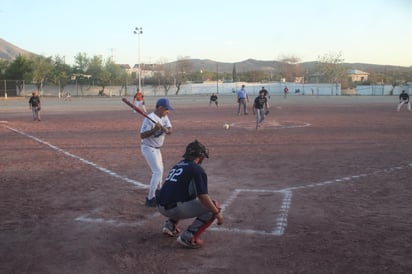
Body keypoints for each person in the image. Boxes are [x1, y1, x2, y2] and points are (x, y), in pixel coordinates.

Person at [157, 140, 223, 249]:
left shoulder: (178, 165)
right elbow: (203, 197)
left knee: (186, 195)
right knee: (212, 206)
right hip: (174, 208)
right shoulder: (197, 169)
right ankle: (189, 236)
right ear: (200, 155)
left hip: (160, 205)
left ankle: (170, 226)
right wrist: (217, 213)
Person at [140, 98, 173, 207]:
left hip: (157, 148)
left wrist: (165, 129)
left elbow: (170, 130)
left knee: (161, 170)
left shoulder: (164, 117)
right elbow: (142, 135)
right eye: (166, 109)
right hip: (148, 147)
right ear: (160, 108)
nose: (168, 111)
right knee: (157, 171)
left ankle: (159, 192)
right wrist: (154, 129)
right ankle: (150, 199)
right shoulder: (149, 119)